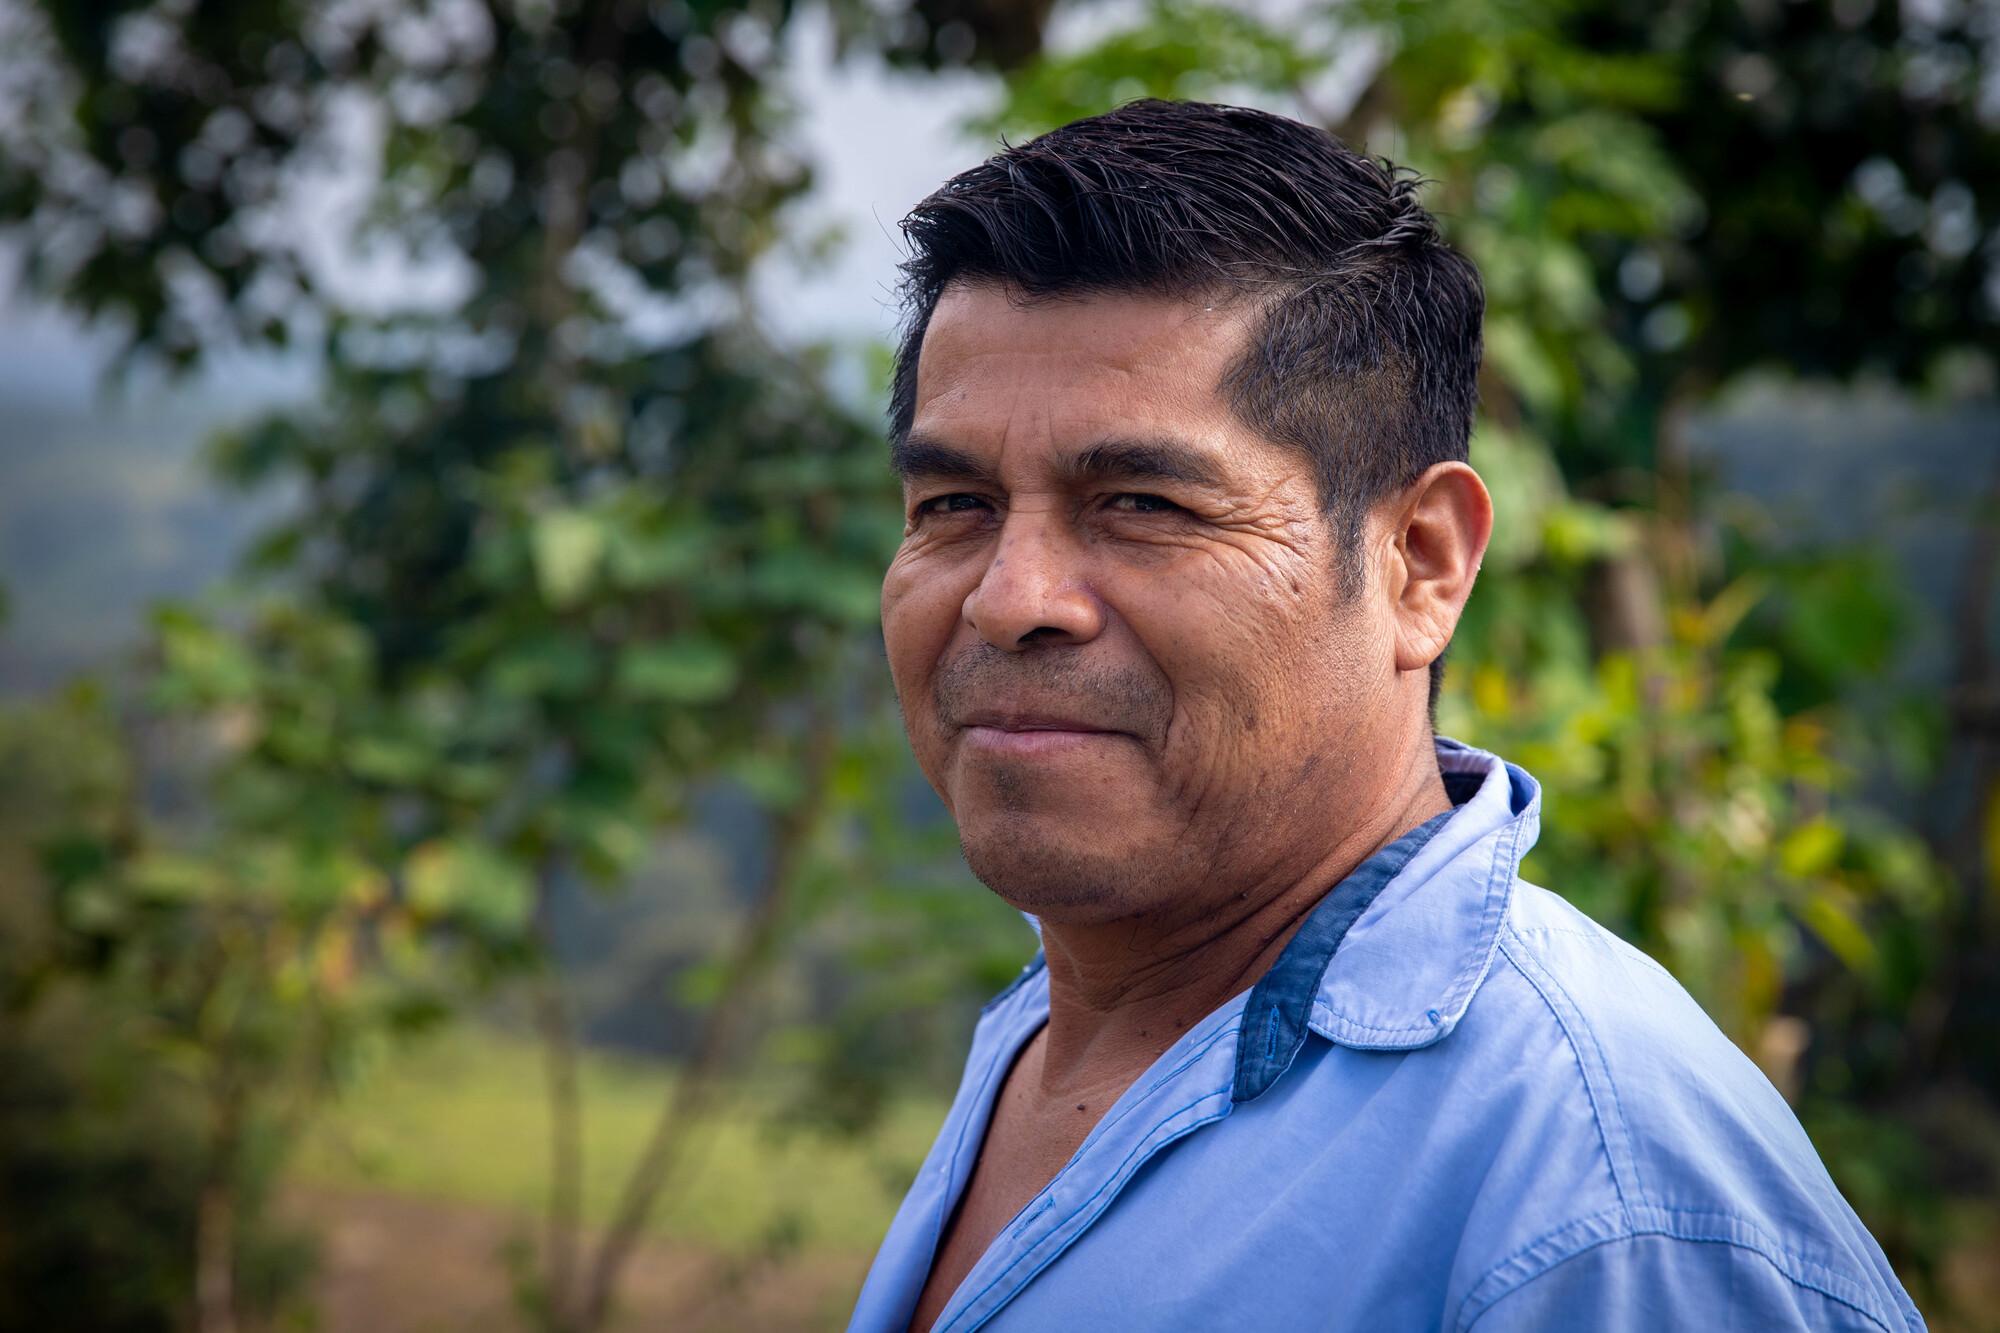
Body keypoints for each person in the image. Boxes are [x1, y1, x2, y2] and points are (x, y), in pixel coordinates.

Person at [847, 100, 1923, 1333]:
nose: (1010, 599)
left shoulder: (1596, 1195)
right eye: (951, 504)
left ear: (1420, 564)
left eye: (1143, 502)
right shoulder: (1073, 1009)